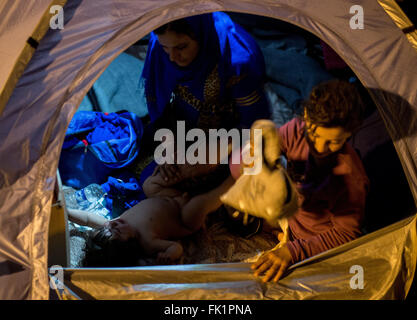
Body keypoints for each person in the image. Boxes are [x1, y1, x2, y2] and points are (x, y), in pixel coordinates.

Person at [229, 79, 369, 282]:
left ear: (349, 134)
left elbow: (346, 234)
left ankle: (279, 233)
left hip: (316, 241)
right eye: (314, 134)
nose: (320, 148)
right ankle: (275, 228)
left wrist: (293, 251)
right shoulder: (296, 131)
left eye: (333, 142)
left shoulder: (350, 177)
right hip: (293, 215)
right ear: (305, 117)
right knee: (235, 204)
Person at [137, 11, 271, 194]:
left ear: (200, 34)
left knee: (240, 183)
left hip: (232, 136)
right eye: (166, 48)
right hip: (184, 130)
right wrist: (169, 144)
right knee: (152, 178)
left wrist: (216, 152)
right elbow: (160, 109)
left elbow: (257, 124)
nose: (172, 58)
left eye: (181, 47)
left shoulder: (235, 58)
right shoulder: (158, 48)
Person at [81, 157, 235, 267]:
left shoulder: (114, 224)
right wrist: (169, 256)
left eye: (108, 226)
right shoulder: (148, 242)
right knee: (197, 207)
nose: (113, 224)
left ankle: (180, 171)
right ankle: (232, 183)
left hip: (169, 195)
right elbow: (176, 248)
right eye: (118, 232)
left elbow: (88, 219)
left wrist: (65, 211)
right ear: (130, 244)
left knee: (150, 185)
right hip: (183, 217)